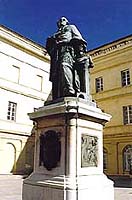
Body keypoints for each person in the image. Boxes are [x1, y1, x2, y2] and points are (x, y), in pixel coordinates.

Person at [46, 17, 93, 100]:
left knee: (64, 65)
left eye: (63, 20)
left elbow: (79, 38)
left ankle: (69, 89)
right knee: (56, 74)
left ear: (66, 22)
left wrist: (80, 51)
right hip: (56, 54)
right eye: (59, 20)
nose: (61, 21)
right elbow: (49, 46)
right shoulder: (55, 34)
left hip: (68, 50)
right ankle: (60, 94)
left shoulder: (71, 27)